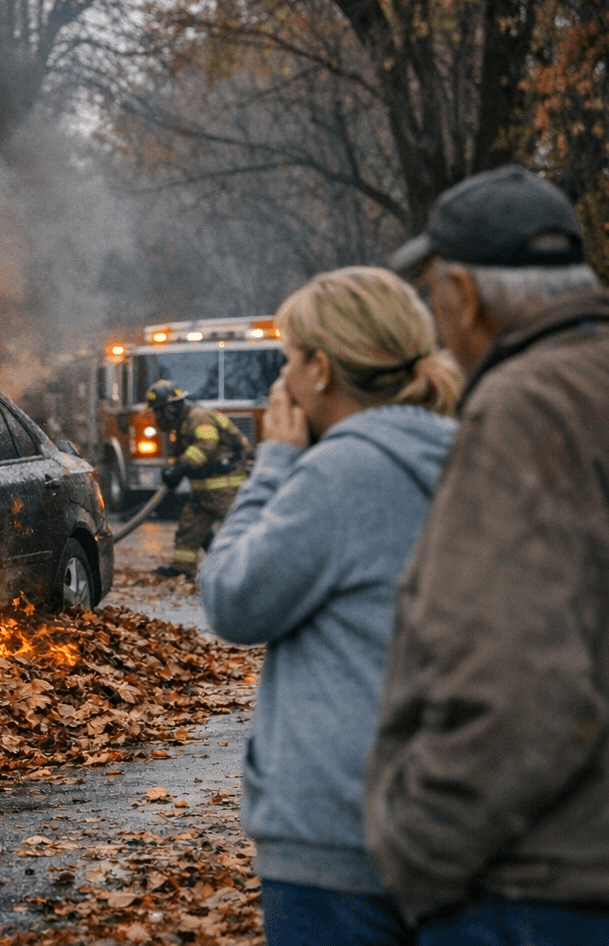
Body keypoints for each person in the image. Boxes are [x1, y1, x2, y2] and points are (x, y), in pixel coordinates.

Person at [364, 164, 609, 941]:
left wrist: (420, 851)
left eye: (436, 294)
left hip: (535, 884)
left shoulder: (522, 410)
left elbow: (517, 686)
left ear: (465, 295)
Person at [198, 267, 462, 945]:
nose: (281, 378)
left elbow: (233, 598)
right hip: (457, 824)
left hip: (339, 842)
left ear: (319, 369)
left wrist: (276, 461)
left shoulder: (336, 474)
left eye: (287, 359)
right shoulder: (469, 452)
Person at [146, 379, 251, 577]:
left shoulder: (199, 417)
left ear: (172, 407)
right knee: (190, 526)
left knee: (237, 530)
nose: (158, 417)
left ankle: (244, 571)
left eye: (159, 411)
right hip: (206, 489)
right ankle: (182, 569)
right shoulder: (183, 424)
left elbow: (206, 445)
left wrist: (180, 468)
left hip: (226, 486)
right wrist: (174, 471)